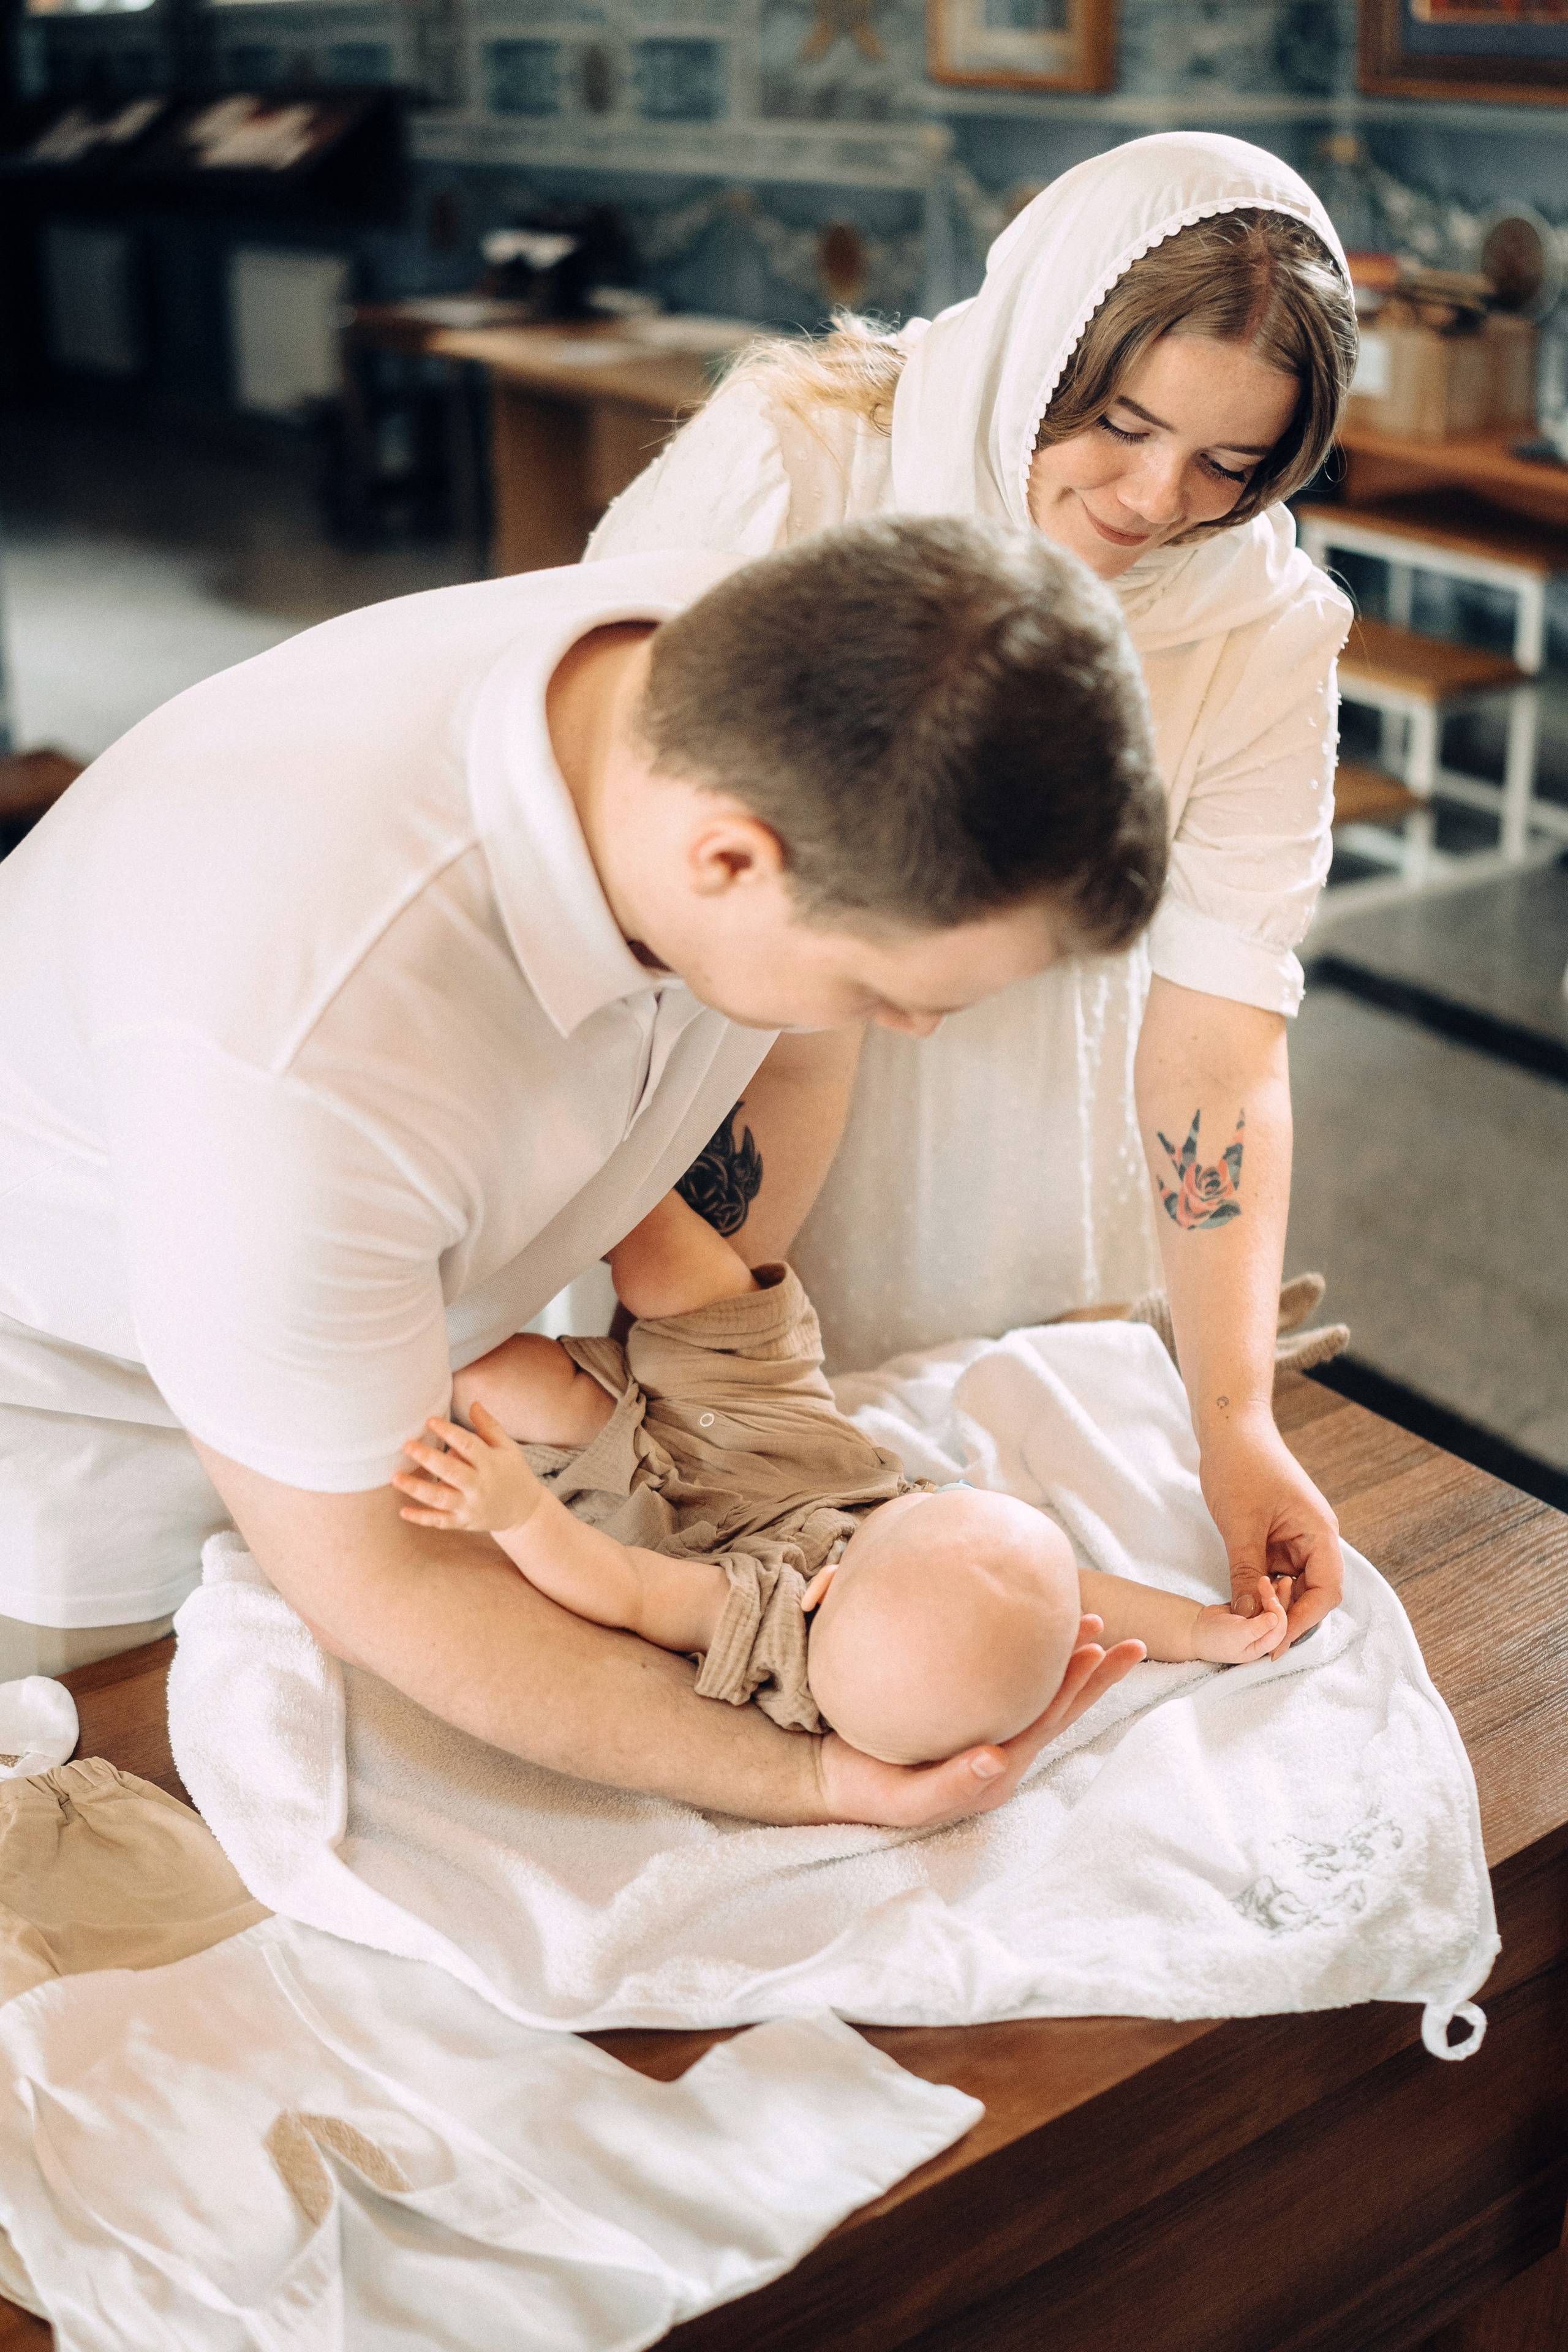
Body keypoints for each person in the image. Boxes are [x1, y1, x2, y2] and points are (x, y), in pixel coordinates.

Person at [0, 514, 1163, 1828]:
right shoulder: (298, 1062)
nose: (914, 1032)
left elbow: (791, 1058)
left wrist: (705, 1380)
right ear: (729, 861)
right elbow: (383, 1580)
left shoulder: (765, 699)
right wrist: (812, 1777)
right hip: (89, 1447)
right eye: (883, 989)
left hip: (404, 1356)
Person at [586, 130, 1360, 1656]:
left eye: (1229, 465)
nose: (1153, 499)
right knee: (703, 1524)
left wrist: (1233, 1421)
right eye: (1120, 425)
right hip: (725, 1068)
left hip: (1024, 1125)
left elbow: (1217, 1044)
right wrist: (689, 1320)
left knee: (970, 1550)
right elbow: (616, 840)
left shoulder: (1259, 623)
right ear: (1042, 347)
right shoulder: (801, 461)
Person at [392, 1188, 1291, 1768]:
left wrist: (517, 1514)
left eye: (926, 1510)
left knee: (489, 1379)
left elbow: (625, 1586)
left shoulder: (771, 1629)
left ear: (821, 1591)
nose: (928, 1494)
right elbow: (1080, 1603)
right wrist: (1197, 1628)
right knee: (660, 1253)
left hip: (656, 1501)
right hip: (776, 1427)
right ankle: (612, 1181)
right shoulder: (968, 1622)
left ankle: (419, 1262)